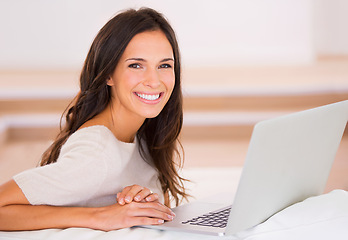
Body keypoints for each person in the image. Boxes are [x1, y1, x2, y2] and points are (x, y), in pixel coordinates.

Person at [0, 7, 189, 231]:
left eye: (164, 65)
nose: (154, 80)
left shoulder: (143, 133)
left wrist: (144, 201)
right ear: (108, 73)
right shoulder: (96, 152)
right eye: (136, 65)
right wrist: (99, 216)